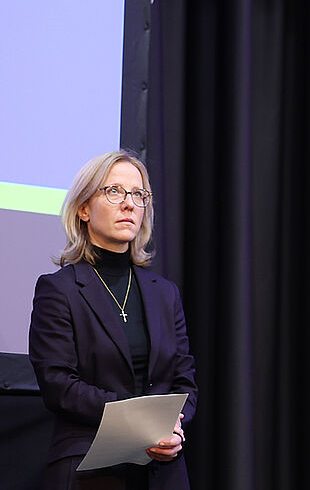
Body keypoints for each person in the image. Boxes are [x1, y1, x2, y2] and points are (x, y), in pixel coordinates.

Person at [29, 151, 198, 489]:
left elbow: (185, 382)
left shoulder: (164, 293)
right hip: (88, 466)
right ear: (84, 209)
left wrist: (172, 429)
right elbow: (59, 385)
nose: (129, 204)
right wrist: (140, 422)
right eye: (114, 191)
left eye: (139, 194)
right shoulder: (58, 290)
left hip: (162, 470)